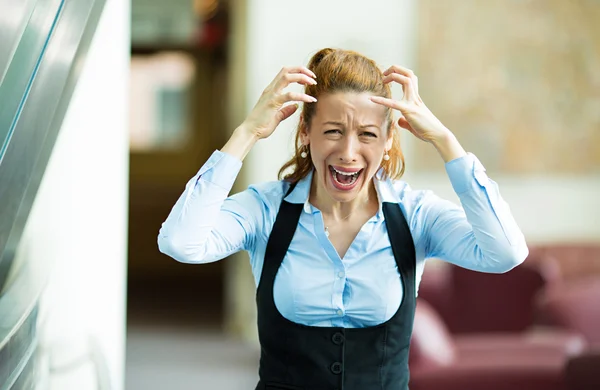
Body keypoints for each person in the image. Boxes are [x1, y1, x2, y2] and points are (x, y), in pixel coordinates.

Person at [158, 48, 528, 390]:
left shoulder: (416, 215)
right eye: (333, 131)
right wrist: (246, 133)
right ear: (306, 133)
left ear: (387, 143)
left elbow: (504, 253)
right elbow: (180, 242)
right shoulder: (265, 210)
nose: (348, 152)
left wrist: (446, 141)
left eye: (367, 134)